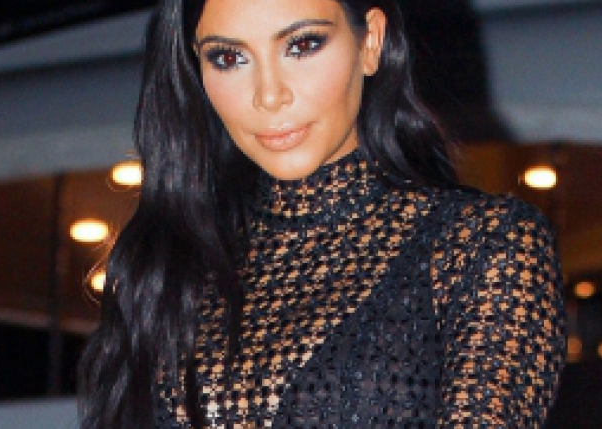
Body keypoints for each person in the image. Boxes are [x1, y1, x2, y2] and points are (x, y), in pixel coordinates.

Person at [78, 0, 566, 428]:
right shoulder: (164, 271)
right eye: (229, 58)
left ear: (370, 42)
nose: (269, 95)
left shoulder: (481, 245)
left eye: (302, 45)